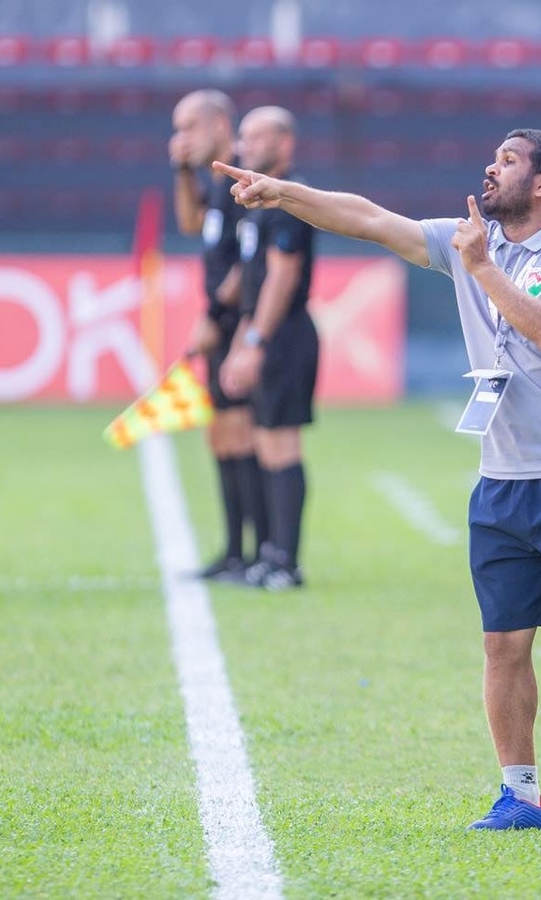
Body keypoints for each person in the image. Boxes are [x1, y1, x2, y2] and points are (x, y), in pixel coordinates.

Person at [214, 127, 541, 831]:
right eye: (493, 159)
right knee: (504, 643)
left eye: (508, 161)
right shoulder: (469, 238)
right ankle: (520, 794)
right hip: (502, 478)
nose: (489, 170)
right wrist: (284, 194)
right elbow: (367, 218)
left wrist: (483, 268)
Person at [169, 89, 267, 581]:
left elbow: (248, 264)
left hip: (236, 323)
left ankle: (259, 552)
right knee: (222, 437)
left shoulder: (240, 180)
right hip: (219, 325)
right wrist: (182, 170)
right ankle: (233, 552)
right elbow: (189, 222)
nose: (180, 137)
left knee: (244, 436)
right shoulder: (209, 183)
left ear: (219, 127)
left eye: (189, 127)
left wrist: (211, 314)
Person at [220, 106, 319, 590]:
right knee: (264, 443)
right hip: (263, 332)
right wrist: (242, 338)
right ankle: (268, 555)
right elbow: (253, 280)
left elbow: (283, 275)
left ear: (285, 144)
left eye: (258, 137)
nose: (246, 145)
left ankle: (286, 562)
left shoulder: (291, 198)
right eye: (243, 136)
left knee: (281, 445)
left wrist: (256, 341)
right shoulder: (255, 203)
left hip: (286, 335)